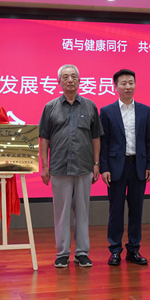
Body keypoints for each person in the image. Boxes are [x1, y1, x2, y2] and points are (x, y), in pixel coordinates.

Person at [39, 64, 103, 268]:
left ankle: (82, 252)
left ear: (79, 80)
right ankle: (62, 253)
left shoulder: (90, 106)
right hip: (59, 166)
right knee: (61, 212)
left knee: (83, 212)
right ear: (59, 82)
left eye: (74, 76)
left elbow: (95, 137)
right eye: (65, 77)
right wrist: (44, 166)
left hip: (84, 166)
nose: (70, 80)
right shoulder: (50, 107)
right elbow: (44, 139)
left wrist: (96, 163)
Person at [99, 69, 150, 266]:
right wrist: (104, 168)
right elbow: (104, 142)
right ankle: (115, 250)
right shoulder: (107, 111)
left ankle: (134, 249)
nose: (128, 86)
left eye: (131, 82)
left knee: (136, 210)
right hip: (116, 167)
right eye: (123, 83)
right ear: (115, 87)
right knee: (115, 210)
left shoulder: (145, 110)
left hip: (138, 166)